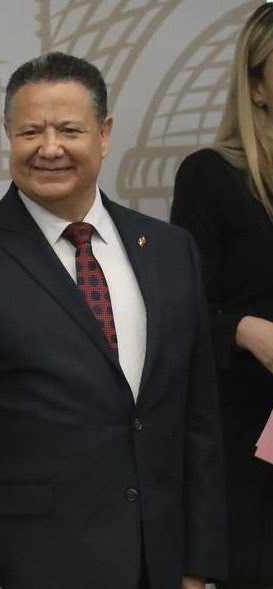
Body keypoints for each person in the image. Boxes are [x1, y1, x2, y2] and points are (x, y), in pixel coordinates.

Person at [0, 52, 227, 589]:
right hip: (36, 566)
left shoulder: (171, 250)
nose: (49, 148)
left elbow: (199, 419)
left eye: (70, 130)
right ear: (9, 136)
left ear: (104, 135)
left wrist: (200, 564)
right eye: (30, 131)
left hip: (163, 563)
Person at [171, 5, 273, 588]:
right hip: (252, 438)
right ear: (256, 86)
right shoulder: (211, 175)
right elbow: (180, 313)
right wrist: (245, 329)